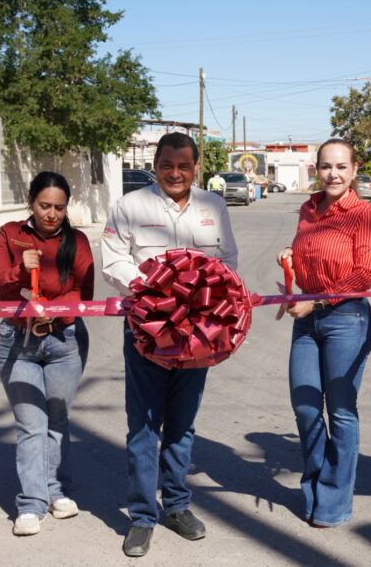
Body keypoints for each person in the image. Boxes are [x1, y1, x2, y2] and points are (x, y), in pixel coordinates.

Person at [102, 132, 238, 557]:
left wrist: (204, 294)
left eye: (183, 166)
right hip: (147, 330)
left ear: (196, 167)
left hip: (199, 334)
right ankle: (143, 516)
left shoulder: (212, 205)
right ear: (155, 164)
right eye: (166, 165)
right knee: (143, 425)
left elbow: (228, 258)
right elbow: (113, 259)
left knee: (182, 424)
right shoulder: (130, 206)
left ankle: (177, 505)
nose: (174, 173)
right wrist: (156, 289)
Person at [276, 138, 371, 527]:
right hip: (307, 316)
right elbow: (313, 253)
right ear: (316, 170)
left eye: (341, 167)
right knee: (305, 408)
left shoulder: (365, 213)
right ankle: (316, 486)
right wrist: (292, 255)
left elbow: (363, 275)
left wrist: (318, 302)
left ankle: (334, 500)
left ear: (354, 171)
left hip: (346, 319)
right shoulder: (308, 209)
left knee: (340, 412)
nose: (333, 174)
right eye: (326, 166)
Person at [0, 171, 94, 536]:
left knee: (58, 419)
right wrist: (20, 269)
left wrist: (54, 309)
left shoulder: (76, 241)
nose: (51, 214)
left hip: (64, 341)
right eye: (44, 205)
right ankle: (31, 504)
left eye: (59, 208)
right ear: (31, 201)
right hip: (16, 341)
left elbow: (84, 294)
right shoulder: (11, 233)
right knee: (31, 424)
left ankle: (56, 490)